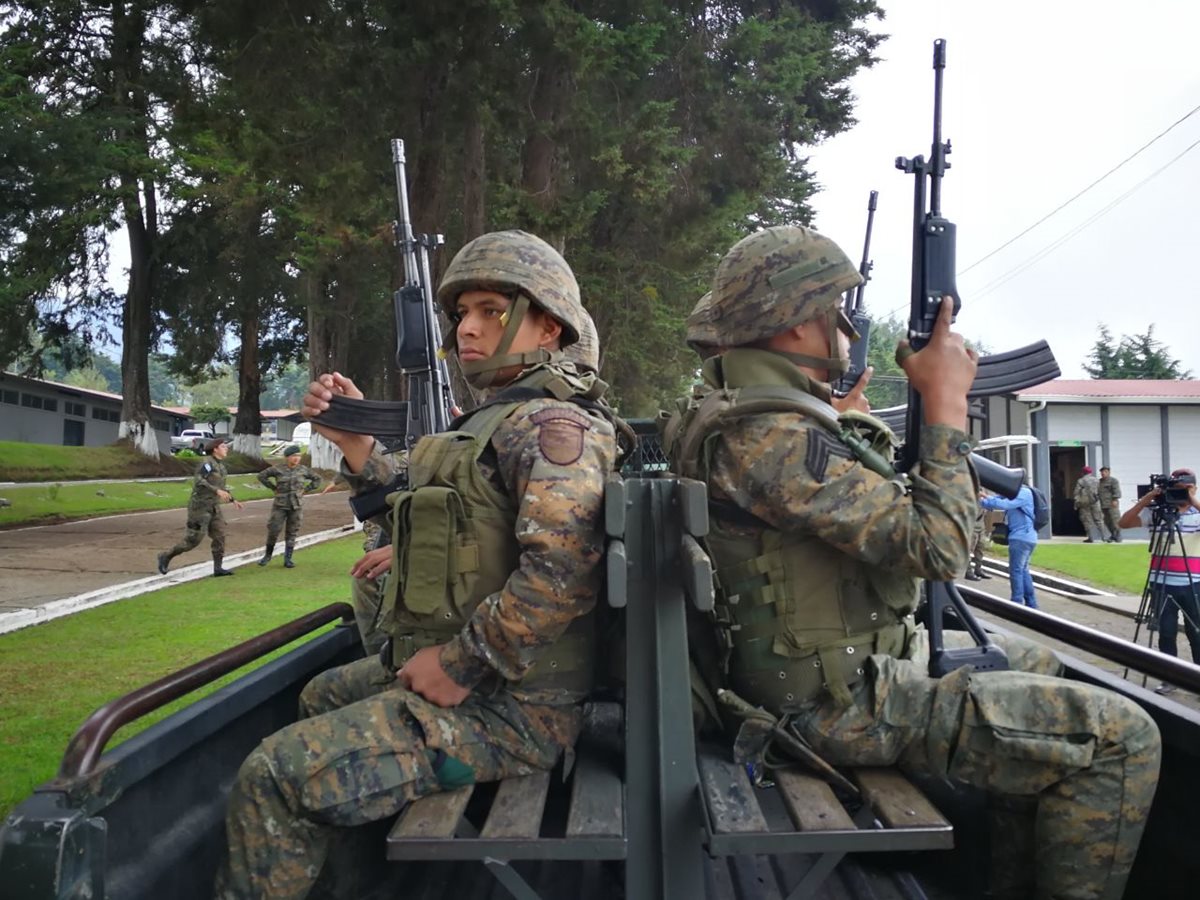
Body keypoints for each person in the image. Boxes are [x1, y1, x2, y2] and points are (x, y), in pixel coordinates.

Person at [666, 225, 1160, 900]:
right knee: (1122, 738)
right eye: (836, 310)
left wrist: (832, 422)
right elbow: (942, 549)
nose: (844, 328)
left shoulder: (740, 419)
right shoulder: (774, 437)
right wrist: (949, 404)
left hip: (794, 680)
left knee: (1033, 662)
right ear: (797, 327)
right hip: (827, 708)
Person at [212, 230, 619, 899]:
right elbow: (417, 491)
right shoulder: (496, 421)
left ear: (547, 326)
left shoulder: (552, 429)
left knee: (274, 777)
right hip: (494, 685)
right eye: (462, 314)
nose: (468, 328)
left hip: (519, 711)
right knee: (317, 695)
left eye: (491, 310)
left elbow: (565, 571)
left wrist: (461, 663)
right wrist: (354, 444)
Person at [1118, 469, 1200, 693]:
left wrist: (1192, 499)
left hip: (1193, 583)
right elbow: (1123, 523)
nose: (1179, 493)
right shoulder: (1156, 513)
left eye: (1184, 489)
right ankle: (1169, 677)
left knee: (1197, 632)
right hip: (1161, 582)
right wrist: (1146, 500)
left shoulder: (1197, 512)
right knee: (1166, 631)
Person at [157, 437, 244, 577]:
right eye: (223, 446)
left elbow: (221, 488)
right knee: (193, 540)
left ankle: (218, 568)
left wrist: (233, 499)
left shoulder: (221, 467)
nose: (226, 448)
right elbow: (199, 480)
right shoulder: (207, 464)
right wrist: (216, 491)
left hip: (214, 507)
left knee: (220, 536)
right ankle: (166, 556)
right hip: (200, 508)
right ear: (215, 449)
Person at [255, 445, 322, 569]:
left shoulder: (303, 470)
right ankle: (267, 556)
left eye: (298, 456)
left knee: (292, 532)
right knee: (274, 530)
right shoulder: (278, 469)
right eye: (293, 456)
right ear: (287, 457)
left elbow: (317, 479)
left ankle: (288, 559)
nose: (296, 458)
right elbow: (261, 476)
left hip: (296, 506)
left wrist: (306, 489)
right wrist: (273, 488)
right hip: (280, 505)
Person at [980, 484, 1039, 608]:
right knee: (1023, 570)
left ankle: (1016, 603)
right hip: (1025, 537)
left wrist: (986, 499)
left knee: (1016, 570)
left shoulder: (1023, 492)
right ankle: (1031, 603)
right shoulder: (1014, 492)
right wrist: (983, 499)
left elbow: (1004, 504)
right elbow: (997, 500)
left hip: (1022, 537)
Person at [1074, 465, 1105, 542]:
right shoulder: (1096, 480)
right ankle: (1103, 537)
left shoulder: (1081, 481)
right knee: (1099, 520)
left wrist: (1076, 502)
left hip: (1084, 503)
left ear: (1083, 472)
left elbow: (1076, 492)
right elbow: (1101, 492)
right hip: (1095, 502)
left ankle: (1090, 538)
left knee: (1087, 520)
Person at [963, 500, 991, 581]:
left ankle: (978, 569)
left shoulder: (983, 490)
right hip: (972, 522)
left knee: (980, 547)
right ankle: (968, 571)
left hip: (980, 522)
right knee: (970, 548)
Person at [1099, 466, 1123, 542]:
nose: (1103, 473)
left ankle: (1118, 535)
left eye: (1105, 471)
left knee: (1115, 520)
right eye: (1102, 472)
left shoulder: (1113, 481)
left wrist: (1115, 499)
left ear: (1109, 472)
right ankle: (1113, 535)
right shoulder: (1099, 482)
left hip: (1112, 504)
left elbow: (1117, 491)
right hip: (1103, 504)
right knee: (1107, 521)